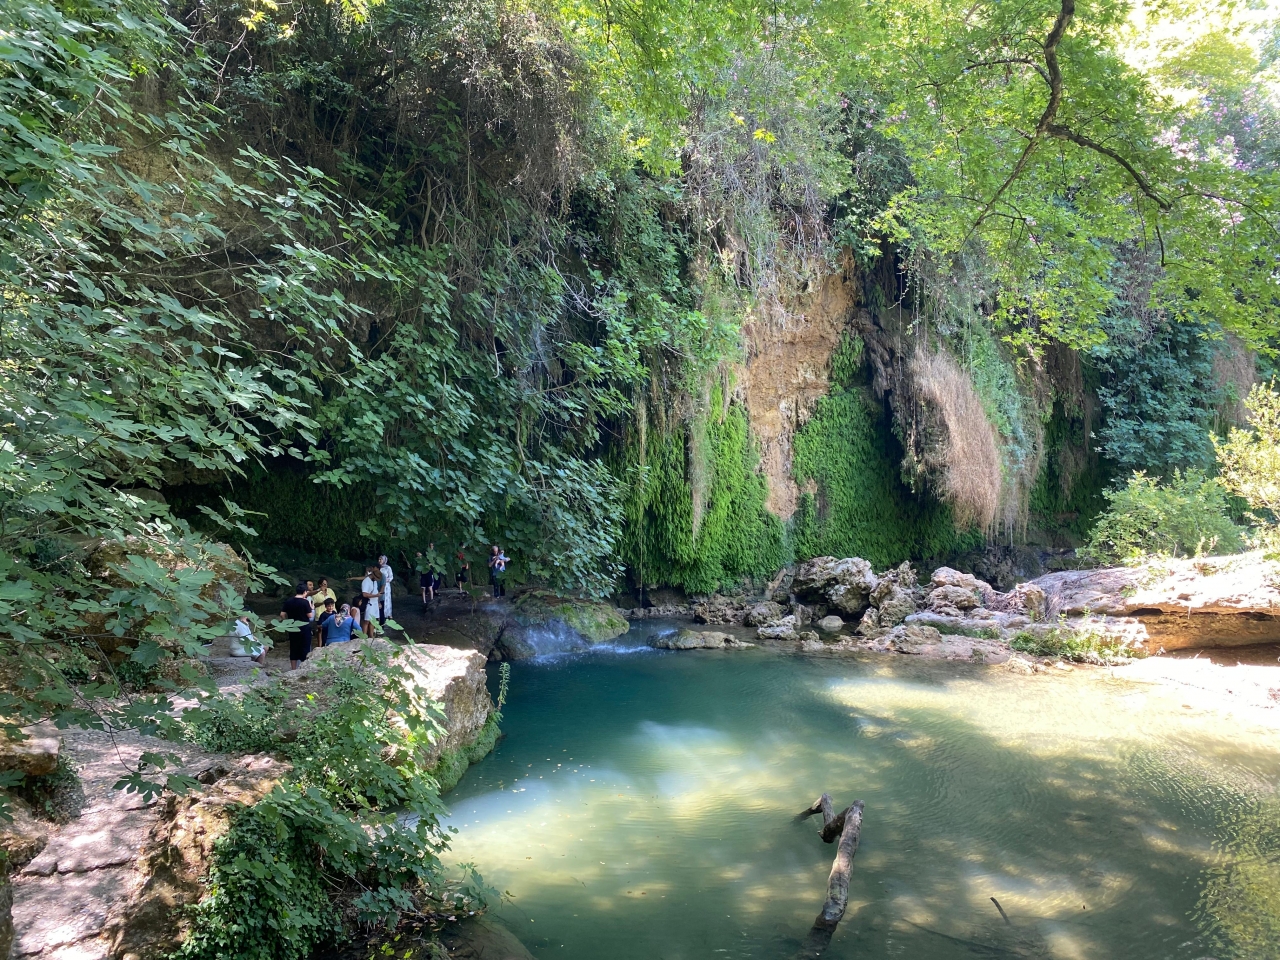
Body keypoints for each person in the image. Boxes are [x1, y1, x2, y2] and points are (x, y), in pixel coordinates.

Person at [280, 583, 314, 670]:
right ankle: (303, 668)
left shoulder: (289, 601)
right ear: (304, 592)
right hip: (304, 628)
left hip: (292, 627)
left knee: (293, 648)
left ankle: (293, 669)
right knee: (305, 648)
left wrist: (286, 622)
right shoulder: (305, 602)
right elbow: (310, 615)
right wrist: (312, 608)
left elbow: (282, 614)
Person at [308, 578, 335, 649]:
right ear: (320, 584)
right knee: (320, 629)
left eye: (326, 583)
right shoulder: (316, 593)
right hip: (320, 613)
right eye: (323, 584)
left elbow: (334, 600)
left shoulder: (330, 591)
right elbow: (314, 604)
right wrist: (323, 603)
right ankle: (320, 645)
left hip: (332, 611)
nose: (325, 585)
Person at [360, 565, 381, 635]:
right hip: (369, 603)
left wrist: (378, 602)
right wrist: (375, 595)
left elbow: (376, 591)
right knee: (366, 621)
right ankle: (364, 637)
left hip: (375, 603)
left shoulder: (374, 581)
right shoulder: (366, 581)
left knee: (373, 621)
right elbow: (364, 594)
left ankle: (371, 636)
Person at [377, 554, 394, 627]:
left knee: (386, 599)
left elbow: (391, 577)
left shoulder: (388, 568)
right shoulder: (378, 567)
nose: (379, 560)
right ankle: (380, 614)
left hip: (386, 585)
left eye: (381, 559)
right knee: (380, 598)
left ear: (384, 560)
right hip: (379, 585)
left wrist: (385, 580)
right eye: (379, 559)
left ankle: (388, 613)